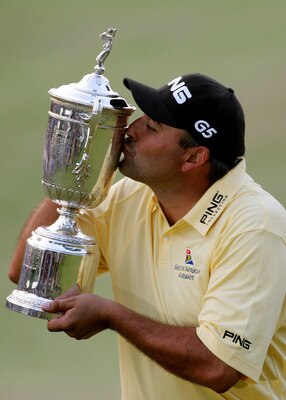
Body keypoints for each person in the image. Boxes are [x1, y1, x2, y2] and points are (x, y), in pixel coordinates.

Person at [9, 73, 286, 400]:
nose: (130, 130)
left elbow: (218, 366)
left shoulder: (256, 227)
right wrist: (75, 170)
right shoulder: (131, 196)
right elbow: (32, 271)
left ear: (193, 157)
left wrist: (113, 316)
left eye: (152, 127)